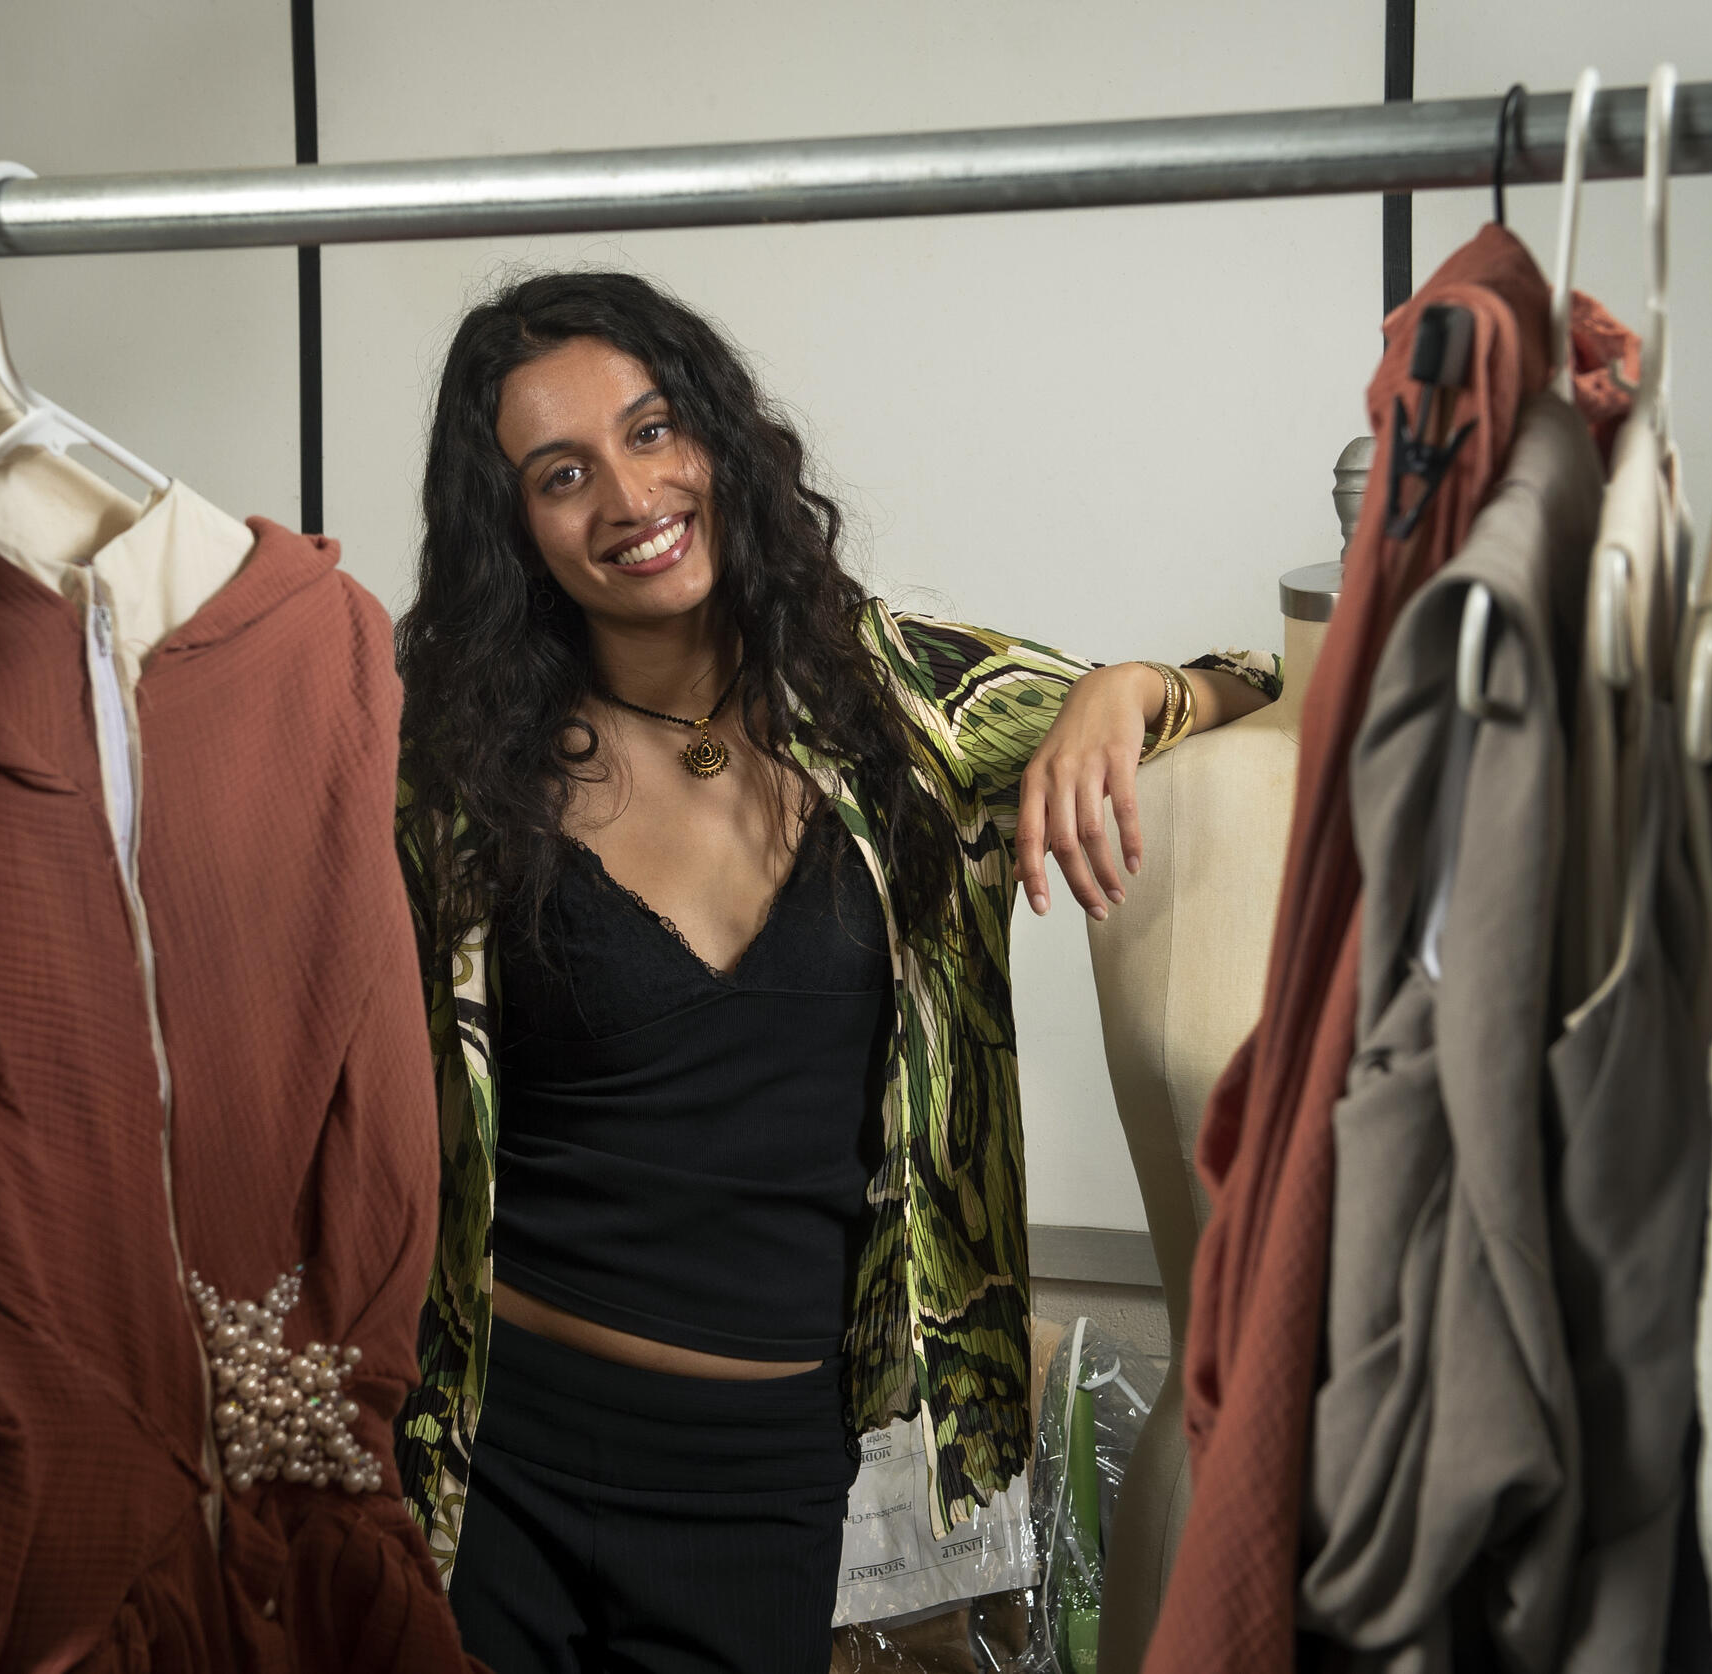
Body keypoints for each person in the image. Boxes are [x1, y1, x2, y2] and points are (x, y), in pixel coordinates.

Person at [391, 270, 1277, 1673]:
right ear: (513, 526)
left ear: (717, 437)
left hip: (766, 1476)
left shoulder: (894, 701)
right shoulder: (456, 769)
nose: (628, 494)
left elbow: (1266, 678)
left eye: (652, 428)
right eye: (562, 474)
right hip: (502, 1456)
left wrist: (1125, 688)